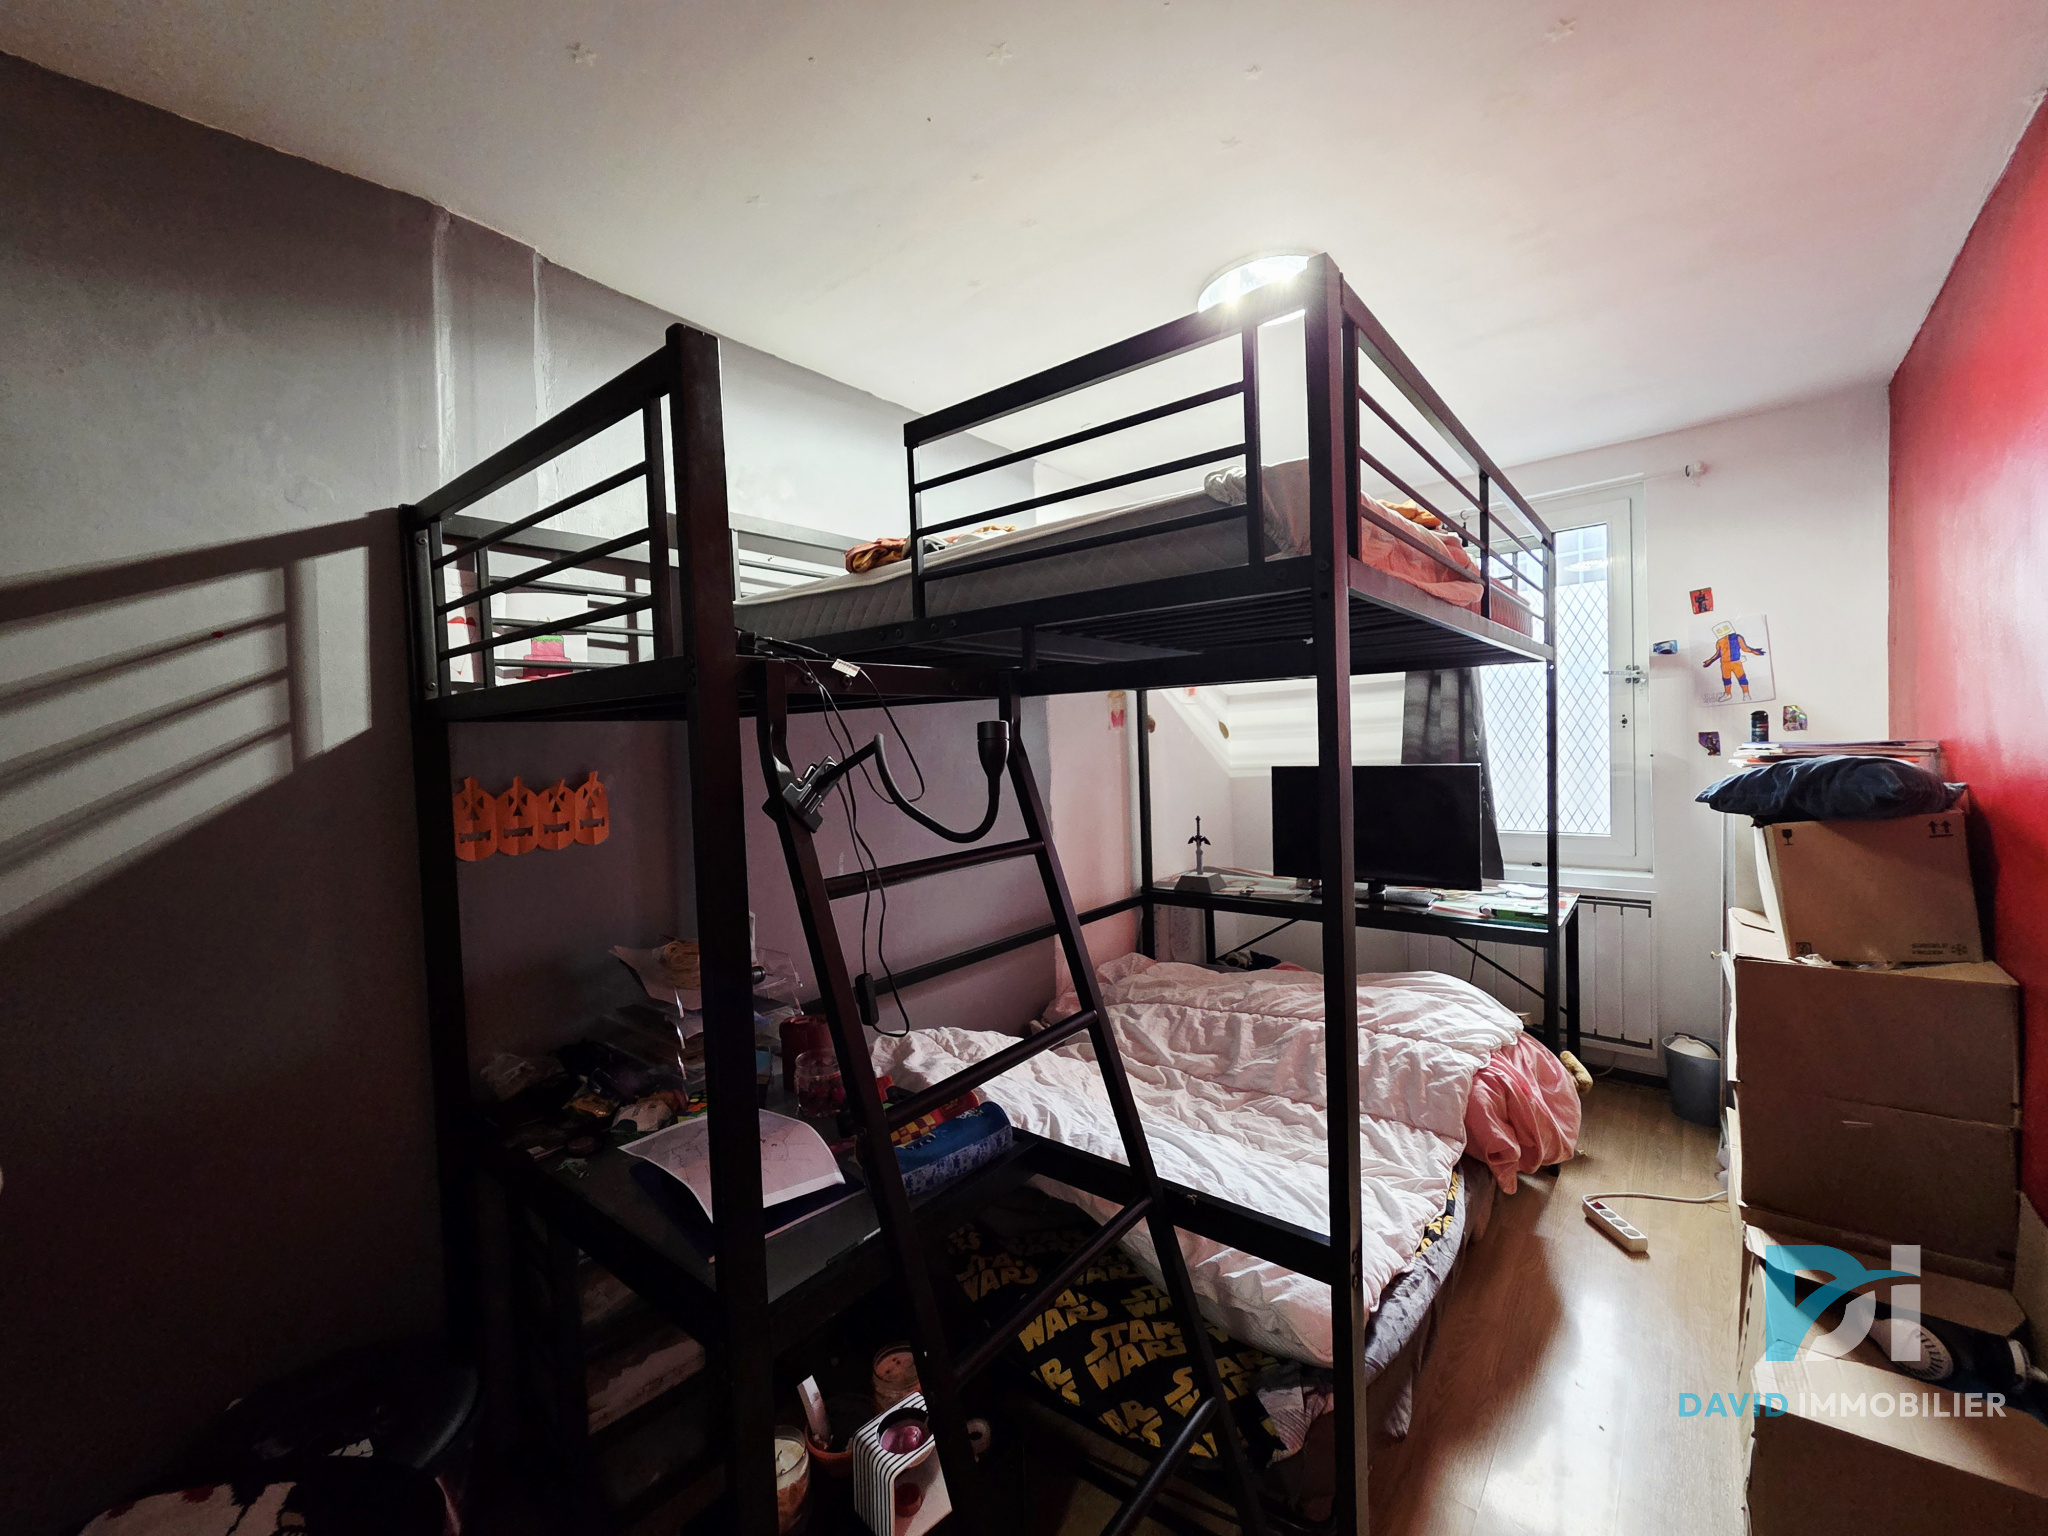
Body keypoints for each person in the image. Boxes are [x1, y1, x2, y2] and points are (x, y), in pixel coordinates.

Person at [1702, 621, 1766, 701]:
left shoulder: (1737, 637)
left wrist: (1754, 651)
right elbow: (1718, 654)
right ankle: (1727, 694)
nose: (1723, 631)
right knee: (1726, 679)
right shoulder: (1719, 642)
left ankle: (1746, 694)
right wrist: (1710, 661)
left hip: (1736, 663)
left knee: (1742, 678)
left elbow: (1745, 648)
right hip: (1725, 664)